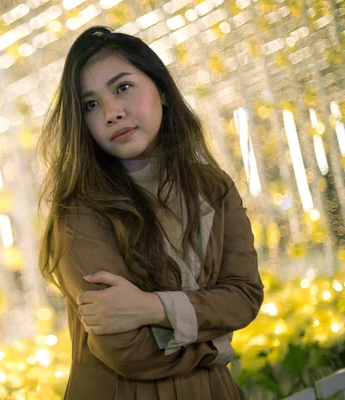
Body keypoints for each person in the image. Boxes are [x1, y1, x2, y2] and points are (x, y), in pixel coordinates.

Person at [37, 26, 264, 399]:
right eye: (90, 104)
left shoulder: (213, 186)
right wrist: (217, 344)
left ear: (160, 87)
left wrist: (152, 307)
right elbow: (127, 350)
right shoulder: (79, 211)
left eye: (123, 87)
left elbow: (245, 297)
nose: (111, 113)